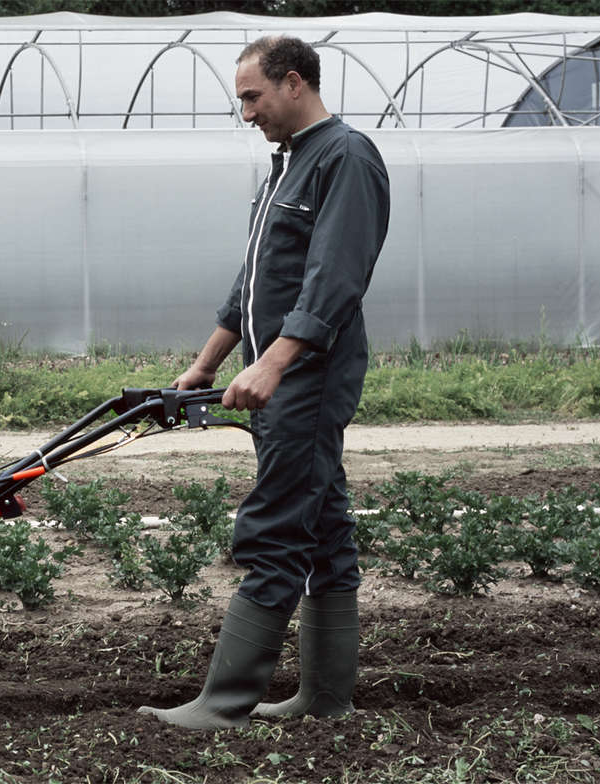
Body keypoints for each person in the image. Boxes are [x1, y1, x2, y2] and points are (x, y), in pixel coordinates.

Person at [139, 35, 390, 730]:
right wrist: (207, 362)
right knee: (323, 527)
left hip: (306, 381)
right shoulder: (286, 166)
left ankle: (224, 703)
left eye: (251, 97)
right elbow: (254, 282)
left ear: (291, 84)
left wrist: (273, 363)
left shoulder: (344, 158)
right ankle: (325, 697)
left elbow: (334, 281)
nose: (246, 113)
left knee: (277, 523)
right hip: (283, 378)